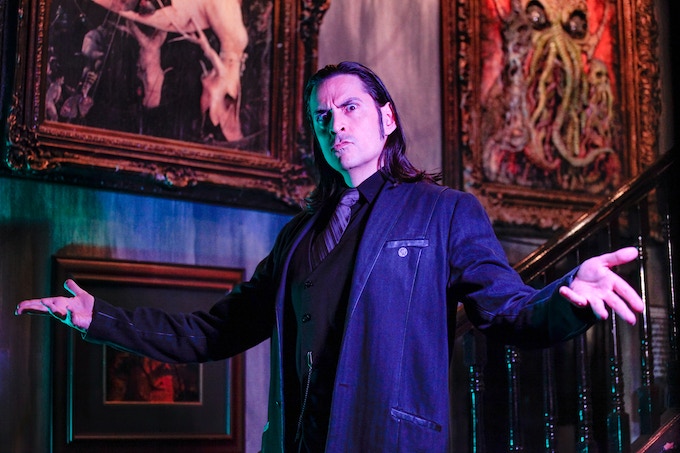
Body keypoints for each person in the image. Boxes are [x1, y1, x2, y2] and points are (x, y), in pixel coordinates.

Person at [16, 61, 643, 453]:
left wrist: (569, 296)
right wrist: (100, 319)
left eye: (349, 108)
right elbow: (214, 330)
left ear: (386, 118)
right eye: (322, 117)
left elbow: (507, 311)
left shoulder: (444, 211)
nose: (335, 125)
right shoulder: (297, 237)